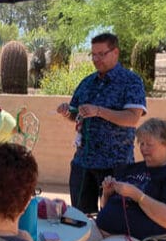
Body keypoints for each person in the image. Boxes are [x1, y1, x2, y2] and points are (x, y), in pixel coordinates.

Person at [56, 33, 147, 214]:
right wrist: (68, 112)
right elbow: (76, 115)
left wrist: (98, 111)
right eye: (93, 55)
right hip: (83, 164)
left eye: (101, 54)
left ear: (115, 53)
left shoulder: (131, 81)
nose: (96, 59)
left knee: (114, 220)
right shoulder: (88, 82)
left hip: (115, 165)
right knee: (80, 219)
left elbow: (132, 118)